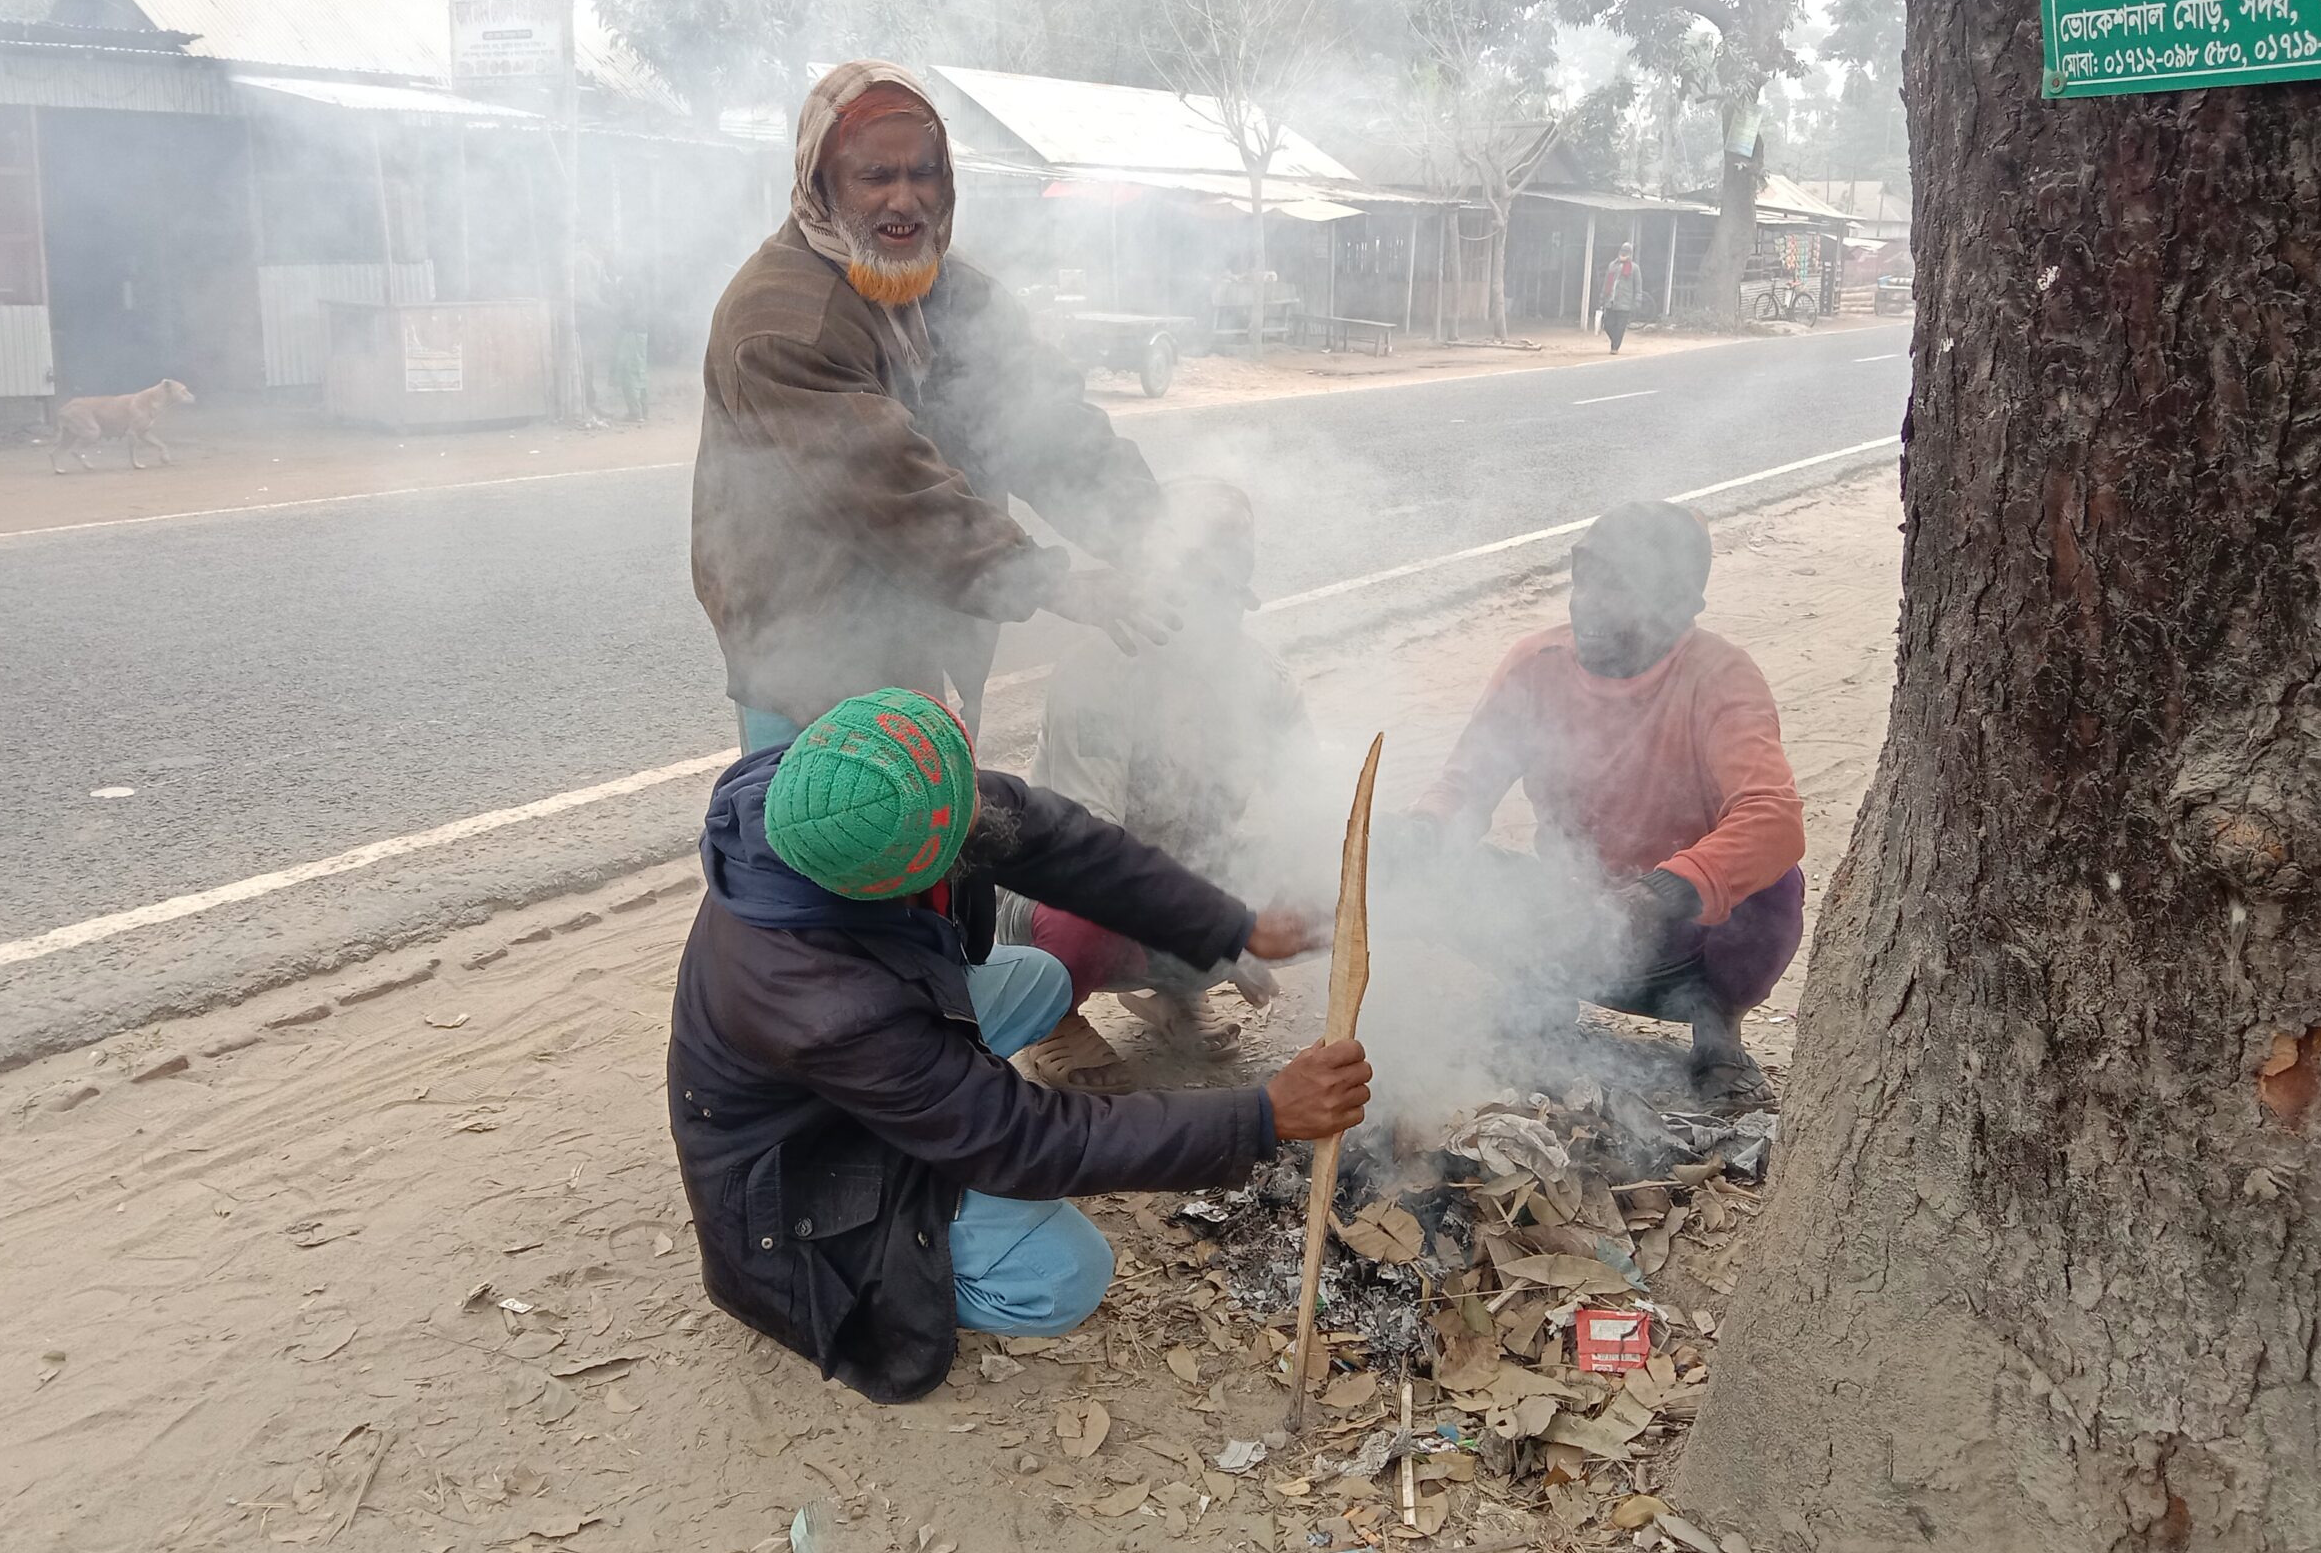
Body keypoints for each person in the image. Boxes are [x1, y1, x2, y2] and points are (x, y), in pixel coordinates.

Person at [668, 687, 1371, 1403]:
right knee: (1065, 1277)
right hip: (810, 1173)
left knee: (1034, 978)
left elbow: (1050, 837)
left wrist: (1233, 925)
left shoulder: (856, 786)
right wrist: (1261, 1117)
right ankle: (922, 1245)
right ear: (902, 880)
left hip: (866, 1076)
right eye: (963, 818)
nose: (982, 811)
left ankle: (936, 1116)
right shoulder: (824, 1001)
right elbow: (1018, 1139)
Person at [694, 60, 1175, 751]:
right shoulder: (779, 322)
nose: (905, 199)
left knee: (942, 843)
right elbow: (891, 490)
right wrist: (1054, 582)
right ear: (821, 186)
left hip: (935, 625)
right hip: (813, 662)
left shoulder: (958, 293)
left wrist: (1159, 537)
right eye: (876, 176)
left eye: (924, 173)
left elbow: (1048, 430)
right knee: (826, 844)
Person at [1394, 502, 1805, 1105]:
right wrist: (1422, 831)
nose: (1587, 602)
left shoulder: (1719, 676)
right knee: (1444, 867)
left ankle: (1717, 1031)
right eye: (1585, 577)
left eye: (1621, 585)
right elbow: (1464, 785)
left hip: (1682, 940)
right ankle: (1539, 994)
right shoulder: (1537, 665)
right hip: (1569, 922)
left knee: (1775, 889)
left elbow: (1773, 818)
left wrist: (1656, 894)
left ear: (1678, 608)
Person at [1005, 478, 1330, 1092]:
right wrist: (1228, 934)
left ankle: (1173, 997)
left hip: (1178, 886)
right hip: (1065, 892)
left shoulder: (1264, 681)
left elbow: (1309, 809)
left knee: (1322, 889)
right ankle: (1048, 1017)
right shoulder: (1097, 678)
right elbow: (1086, 855)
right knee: (1083, 918)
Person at [1598, 241, 1642, 354]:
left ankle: (1615, 347)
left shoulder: (1634, 268)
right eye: (1622, 251)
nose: (1624, 254)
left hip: (1625, 303)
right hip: (1611, 301)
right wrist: (1602, 297)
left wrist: (1637, 301)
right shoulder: (1612, 265)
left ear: (1630, 254)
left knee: (1620, 327)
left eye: (1626, 252)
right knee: (1608, 325)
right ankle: (1615, 340)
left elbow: (1638, 286)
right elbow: (1606, 282)